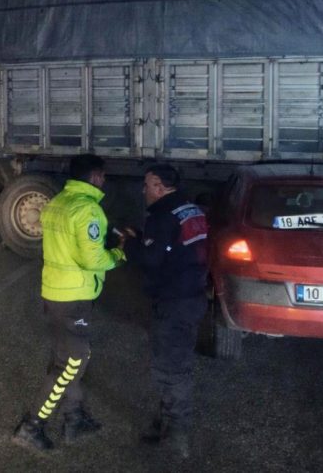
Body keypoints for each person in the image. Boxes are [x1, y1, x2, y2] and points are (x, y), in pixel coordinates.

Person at [12, 154, 127, 453]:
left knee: (66, 357)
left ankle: (74, 419)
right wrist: (119, 255)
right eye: (102, 176)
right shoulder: (87, 210)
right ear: (94, 177)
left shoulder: (58, 202)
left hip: (55, 293)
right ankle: (32, 426)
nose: (103, 181)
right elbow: (93, 258)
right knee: (74, 360)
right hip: (73, 298)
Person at [123, 163, 209, 459]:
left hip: (173, 302)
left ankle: (176, 436)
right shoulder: (192, 210)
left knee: (171, 368)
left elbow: (150, 259)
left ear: (159, 186)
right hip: (193, 297)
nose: (144, 190)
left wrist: (130, 243)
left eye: (147, 185)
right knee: (176, 362)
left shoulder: (161, 217)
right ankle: (167, 424)